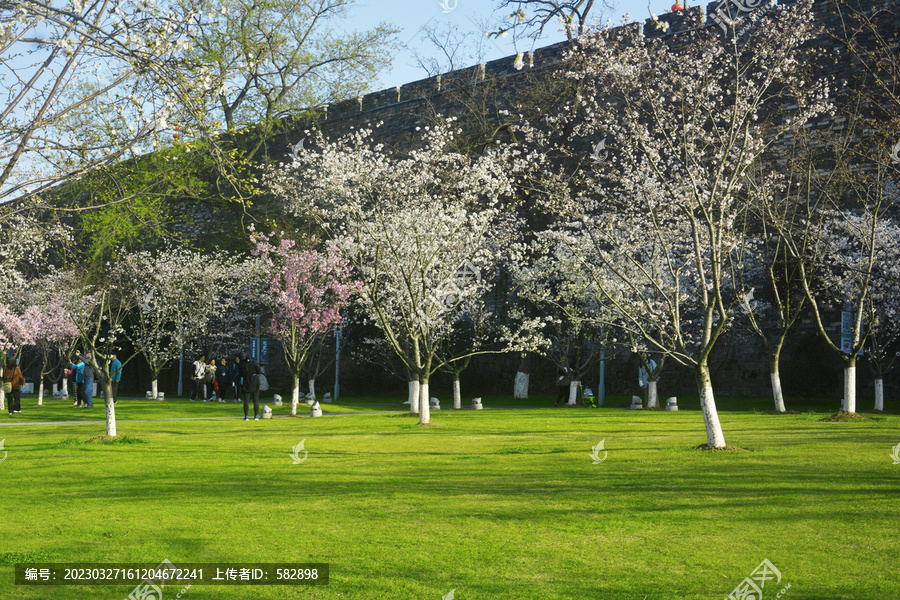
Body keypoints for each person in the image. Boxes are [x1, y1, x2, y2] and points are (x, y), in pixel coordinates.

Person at [240, 352, 261, 420]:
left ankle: (246, 416)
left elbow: (241, 373)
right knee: (256, 399)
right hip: (254, 381)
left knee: (246, 400)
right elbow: (259, 371)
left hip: (247, 381)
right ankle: (256, 415)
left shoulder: (243, 364)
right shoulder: (254, 363)